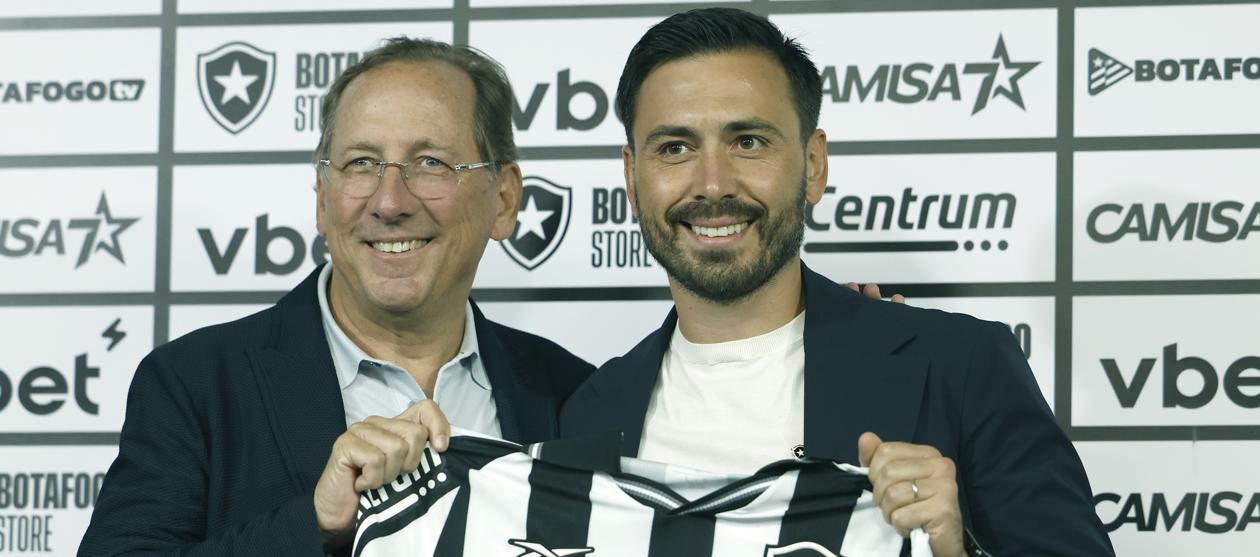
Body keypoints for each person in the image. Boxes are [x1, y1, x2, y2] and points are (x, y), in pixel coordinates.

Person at [560, 8, 1115, 557]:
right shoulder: (584, 415)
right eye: (675, 148)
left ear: (814, 165)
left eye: (748, 141)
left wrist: (952, 550)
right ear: (632, 178)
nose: (712, 184)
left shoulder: (963, 367)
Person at [79, 38, 593, 556]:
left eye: (432, 162)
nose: (390, 202)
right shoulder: (194, 383)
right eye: (361, 163)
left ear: (504, 200)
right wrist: (317, 523)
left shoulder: (574, 395)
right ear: (323, 200)